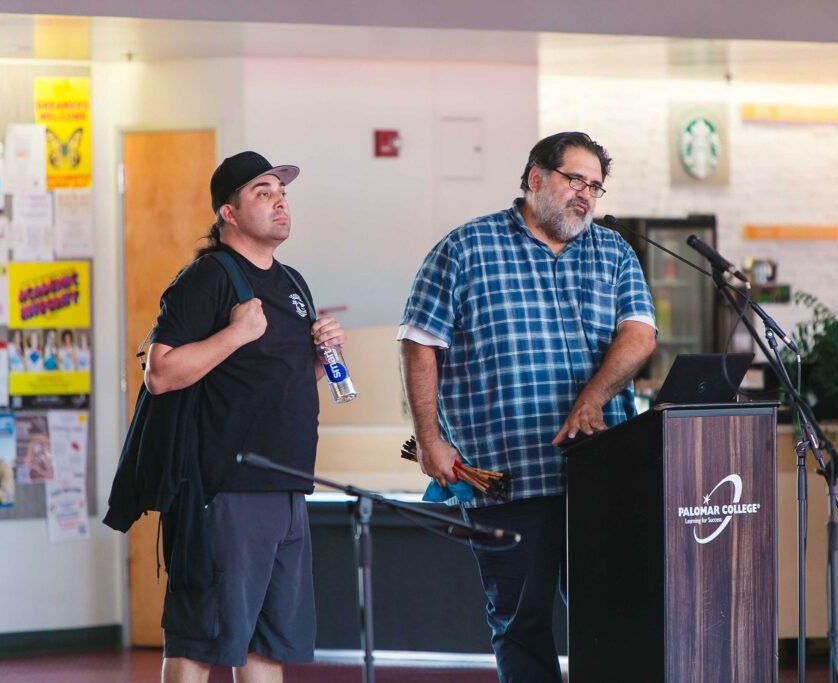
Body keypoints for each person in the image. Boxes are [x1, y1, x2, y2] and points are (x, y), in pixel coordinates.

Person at [398, 132, 656, 682]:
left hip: (601, 476)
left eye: (595, 186)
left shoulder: (613, 251)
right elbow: (419, 340)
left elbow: (639, 333)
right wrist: (428, 439)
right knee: (521, 622)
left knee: (613, 616)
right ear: (536, 178)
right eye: (575, 180)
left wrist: (594, 396)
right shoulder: (466, 248)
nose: (585, 195)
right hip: (507, 476)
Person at [143, 151, 346, 683]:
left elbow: (277, 382)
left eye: (281, 193)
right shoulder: (206, 279)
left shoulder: (292, 282)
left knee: (267, 646)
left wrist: (322, 359)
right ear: (228, 213)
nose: (279, 200)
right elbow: (160, 374)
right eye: (262, 192)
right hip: (226, 488)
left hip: (289, 485)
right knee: (201, 637)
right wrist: (234, 333)